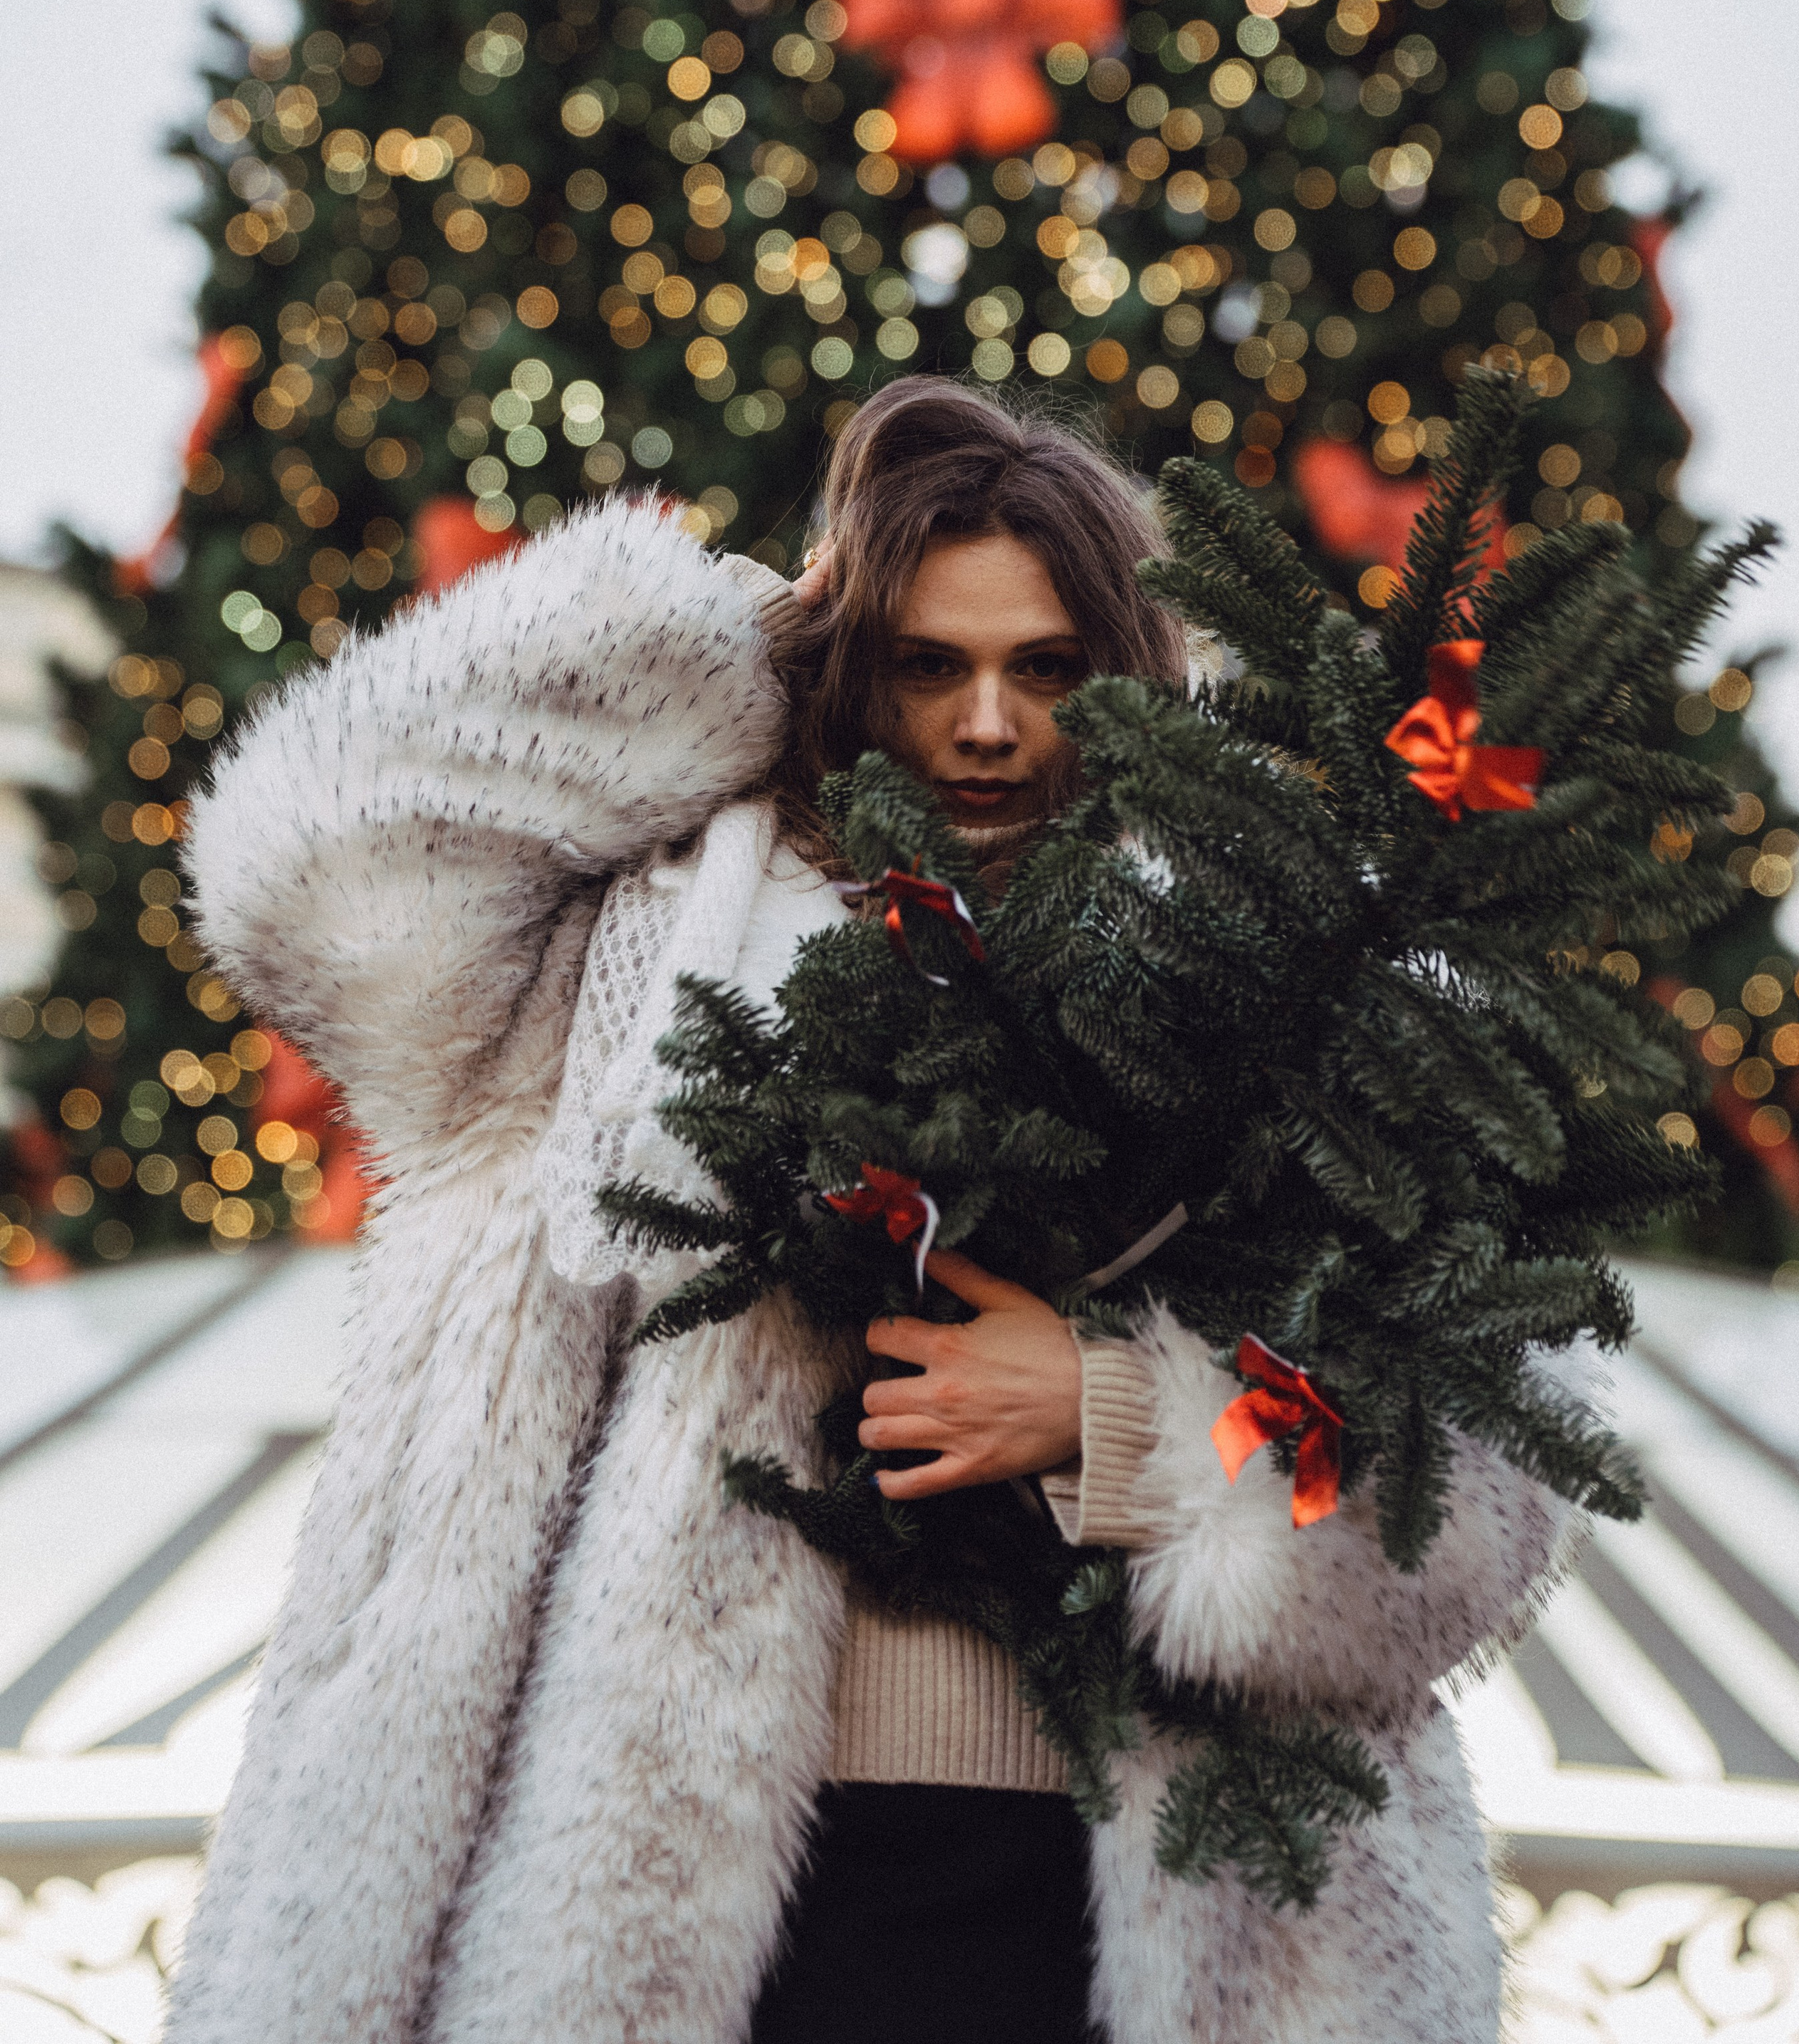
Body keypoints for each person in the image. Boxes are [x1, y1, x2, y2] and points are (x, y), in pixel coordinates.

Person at [167, 377, 1575, 2044]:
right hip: (680, 1918)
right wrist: (734, 645)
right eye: (926, 662)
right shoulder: (628, 953)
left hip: (1143, 1918)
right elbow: (305, 867)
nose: (985, 725)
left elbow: (1472, 1503)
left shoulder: (1268, 977)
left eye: (1041, 667)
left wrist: (1118, 1414)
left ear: (1117, 672)